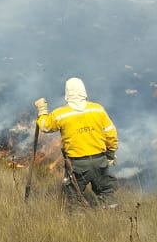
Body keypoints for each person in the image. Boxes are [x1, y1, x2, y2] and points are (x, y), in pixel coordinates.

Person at [34, 77, 119, 207]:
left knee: (74, 197)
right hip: (99, 161)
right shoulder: (98, 109)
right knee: (107, 192)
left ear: (67, 94)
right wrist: (111, 153)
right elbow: (110, 133)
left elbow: (45, 126)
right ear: (84, 92)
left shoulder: (60, 114)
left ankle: (78, 223)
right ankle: (113, 219)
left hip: (77, 165)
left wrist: (42, 111)